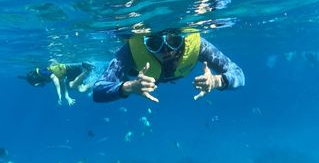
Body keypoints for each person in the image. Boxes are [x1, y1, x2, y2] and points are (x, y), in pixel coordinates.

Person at [93, 28, 245, 103]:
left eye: (174, 41)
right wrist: (128, 87)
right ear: (146, 44)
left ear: (183, 39)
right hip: (132, 74)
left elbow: (239, 74)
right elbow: (98, 90)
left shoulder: (198, 46)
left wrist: (217, 81)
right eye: (155, 44)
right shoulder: (131, 51)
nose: (167, 51)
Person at [21, 61, 94, 106]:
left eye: (37, 85)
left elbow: (55, 80)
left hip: (71, 69)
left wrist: (59, 95)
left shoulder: (43, 72)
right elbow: (62, 82)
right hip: (68, 72)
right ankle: (95, 81)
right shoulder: (44, 73)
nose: (39, 85)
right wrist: (67, 97)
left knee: (72, 85)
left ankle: (88, 70)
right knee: (81, 89)